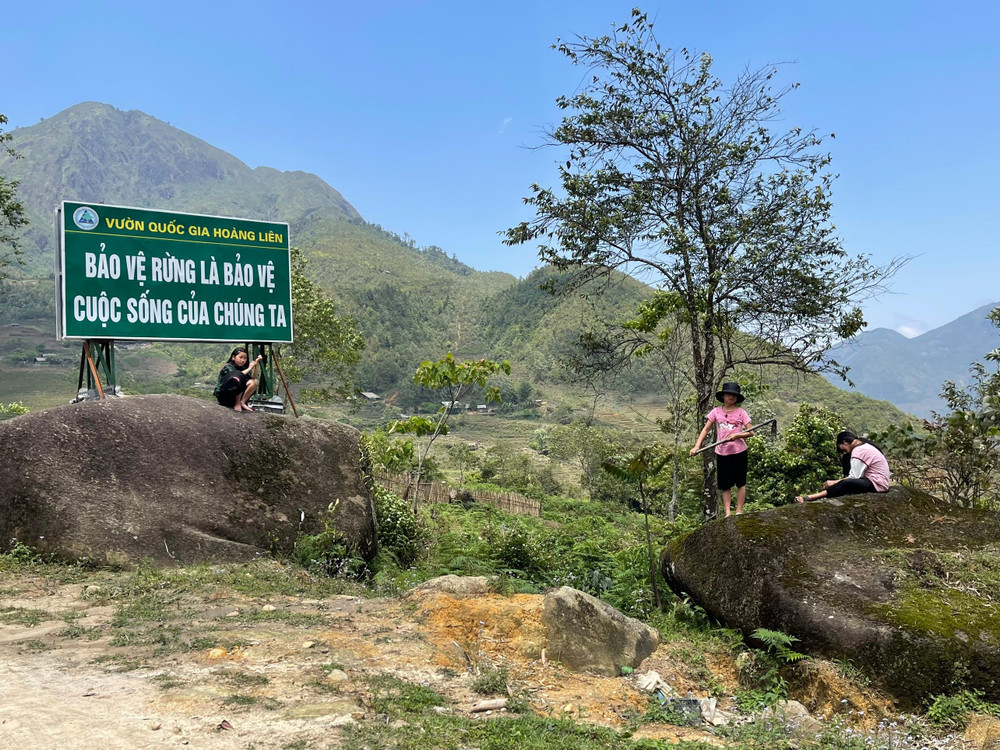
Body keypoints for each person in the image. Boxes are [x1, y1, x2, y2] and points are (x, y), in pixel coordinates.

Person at [690, 382, 753, 517]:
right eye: (729, 394)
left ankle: (739, 511)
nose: (731, 397)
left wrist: (737, 435)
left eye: (734, 395)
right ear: (723, 396)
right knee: (725, 484)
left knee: (740, 482)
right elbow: (706, 429)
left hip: (739, 451)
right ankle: (728, 513)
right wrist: (697, 446)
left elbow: (751, 432)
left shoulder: (741, 412)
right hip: (722, 452)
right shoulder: (716, 412)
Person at [795, 431, 891, 502]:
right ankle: (811, 497)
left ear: (844, 442)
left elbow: (854, 477)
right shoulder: (864, 446)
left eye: (842, 449)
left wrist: (834, 482)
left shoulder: (858, 451)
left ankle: (812, 497)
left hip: (877, 484)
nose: (844, 451)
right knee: (846, 483)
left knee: (846, 483)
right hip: (879, 482)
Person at [214, 347, 262, 412]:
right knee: (237, 380)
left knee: (254, 382)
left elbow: (253, 377)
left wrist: (256, 365)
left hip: (236, 397)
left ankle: (242, 402)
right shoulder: (227, 367)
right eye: (241, 357)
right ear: (233, 357)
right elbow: (236, 376)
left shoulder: (243, 368)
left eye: (245, 358)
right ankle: (237, 404)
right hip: (225, 396)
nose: (243, 360)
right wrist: (250, 368)